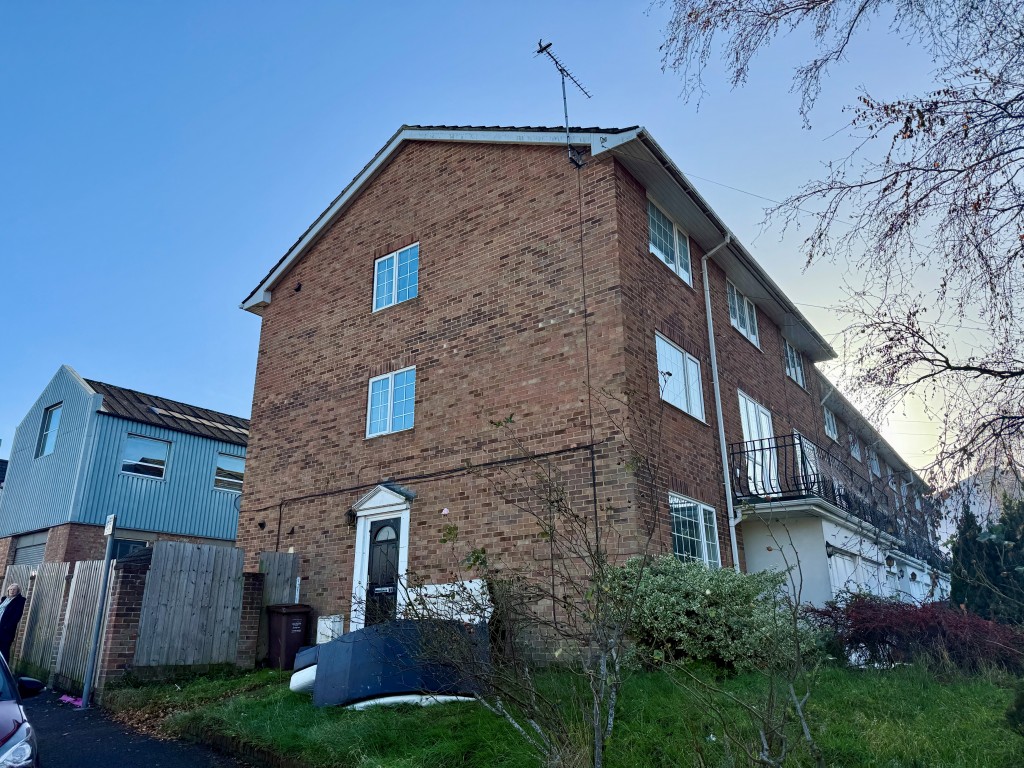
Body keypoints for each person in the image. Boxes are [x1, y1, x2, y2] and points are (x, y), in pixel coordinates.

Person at [0, 584, 26, 665]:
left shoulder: (20, 600)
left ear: (18, 591)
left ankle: (4, 670)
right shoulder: (4, 599)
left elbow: (17, 616)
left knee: (4, 650)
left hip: (6, 630)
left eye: (14, 589)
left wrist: (6, 627)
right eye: (10, 589)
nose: (12, 591)